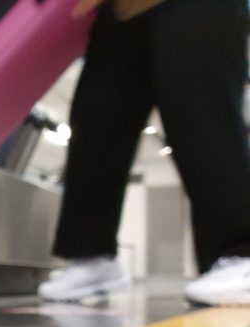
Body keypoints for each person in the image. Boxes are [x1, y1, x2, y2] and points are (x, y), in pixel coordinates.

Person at [38, 0, 250, 305]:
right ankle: (92, 257)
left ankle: (239, 253)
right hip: (123, 9)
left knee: (200, 109)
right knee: (97, 119)